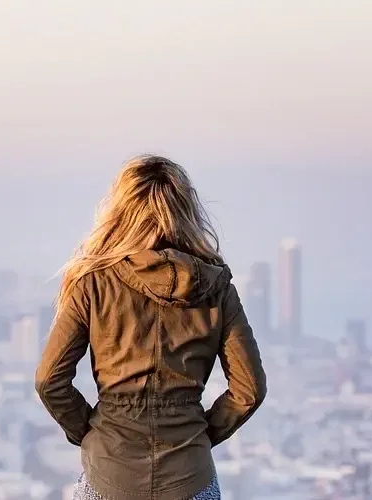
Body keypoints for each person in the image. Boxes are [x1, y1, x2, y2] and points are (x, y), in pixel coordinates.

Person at [35, 155, 267, 500]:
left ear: (119, 212)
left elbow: (49, 380)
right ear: (186, 212)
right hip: (190, 476)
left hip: (108, 473)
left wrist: (92, 433)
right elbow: (249, 390)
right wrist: (198, 436)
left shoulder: (94, 284)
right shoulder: (217, 289)